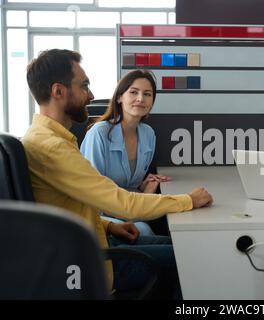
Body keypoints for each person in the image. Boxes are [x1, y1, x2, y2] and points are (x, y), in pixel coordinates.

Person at [22, 49, 213, 298]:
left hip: (96, 240)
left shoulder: (50, 139)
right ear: (58, 91)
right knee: (189, 258)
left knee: (182, 245)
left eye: (147, 94)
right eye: (84, 86)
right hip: (91, 265)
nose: (91, 95)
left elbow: (65, 210)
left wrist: (110, 226)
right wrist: (189, 200)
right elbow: (120, 202)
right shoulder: (52, 148)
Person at [80, 70, 166, 238]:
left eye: (147, 94)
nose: (141, 98)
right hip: (102, 216)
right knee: (145, 232)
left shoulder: (148, 134)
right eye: (133, 92)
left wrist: (142, 186)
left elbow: (129, 185)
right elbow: (93, 194)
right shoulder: (100, 134)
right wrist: (142, 201)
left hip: (131, 208)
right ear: (119, 97)